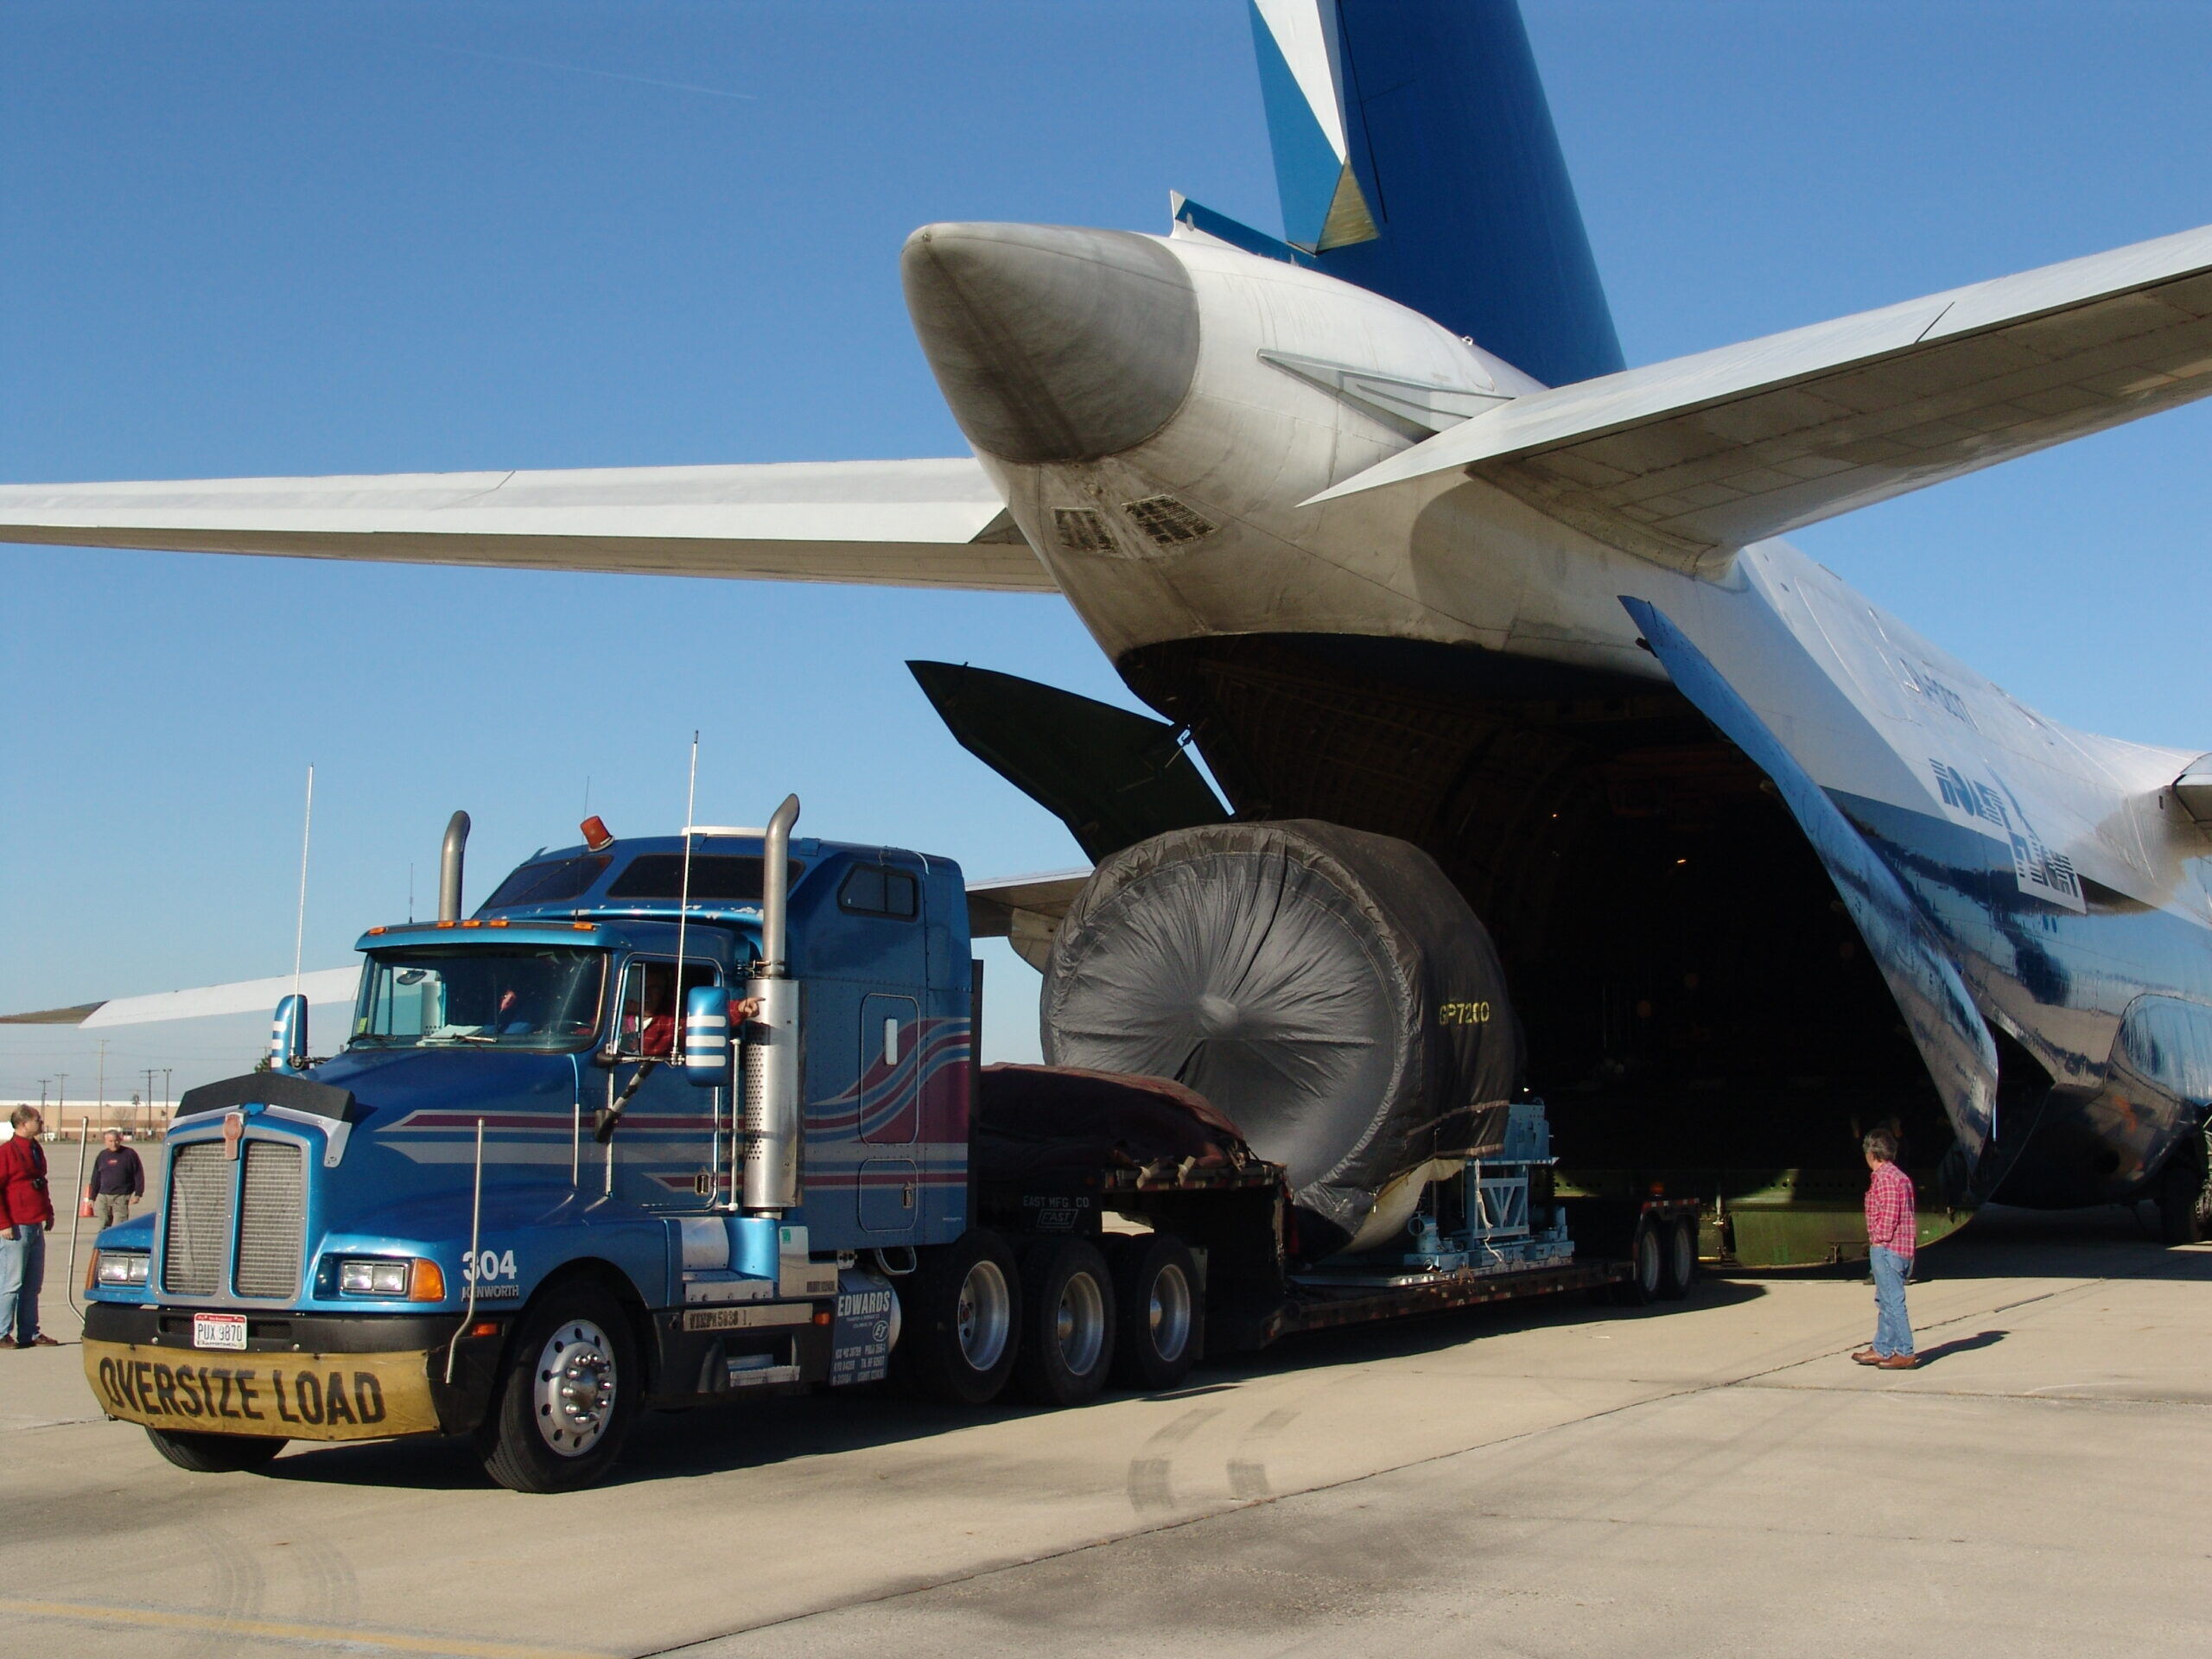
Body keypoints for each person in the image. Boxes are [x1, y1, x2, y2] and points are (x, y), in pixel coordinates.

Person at [1853, 1128, 1919, 1370]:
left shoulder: (1886, 1178)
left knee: (1893, 1302)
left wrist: (1879, 1240)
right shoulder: (1899, 1176)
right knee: (1884, 1299)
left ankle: (1905, 1351)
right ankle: (1882, 1348)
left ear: (1871, 1154)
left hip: (1888, 1249)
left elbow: (1889, 1215)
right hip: (1898, 1248)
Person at [0, 1105, 58, 1350]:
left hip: (35, 1222)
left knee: (33, 1284)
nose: (42, 1123)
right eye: (38, 1120)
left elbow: (40, 1183)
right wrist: (4, 1223)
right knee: (12, 1283)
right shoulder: (6, 1152)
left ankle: (29, 1332)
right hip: (16, 1225)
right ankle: (2, 1332)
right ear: (23, 1123)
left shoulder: (35, 1149)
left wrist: (49, 1211)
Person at [86, 1128, 145, 1230]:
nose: (114, 1144)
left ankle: (118, 1246)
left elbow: (138, 1174)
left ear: (120, 1139)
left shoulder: (129, 1154)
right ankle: (103, 1246)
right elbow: (96, 1177)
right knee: (103, 1224)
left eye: (116, 1140)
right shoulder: (102, 1155)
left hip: (121, 1196)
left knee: (119, 1226)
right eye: (111, 1141)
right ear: (105, 1141)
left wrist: (138, 1194)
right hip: (104, 1196)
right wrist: (92, 1197)